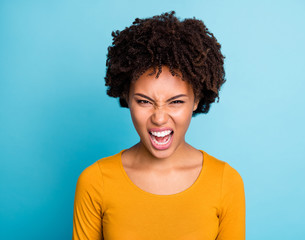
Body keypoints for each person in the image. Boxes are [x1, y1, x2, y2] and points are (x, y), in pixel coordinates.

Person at [72, 11, 245, 240]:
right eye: (144, 101)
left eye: (176, 102)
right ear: (126, 96)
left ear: (196, 100)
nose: (159, 118)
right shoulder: (95, 181)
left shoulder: (226, 182)